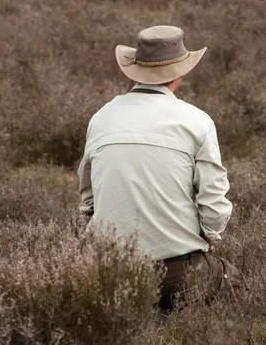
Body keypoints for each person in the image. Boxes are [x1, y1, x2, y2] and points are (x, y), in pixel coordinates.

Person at [77, 25, 241, 311]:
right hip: (175, 274)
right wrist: (211, 236)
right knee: (235, 285)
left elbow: (87, 200)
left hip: (107, 271)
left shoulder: (100, 118)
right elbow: (214, 200)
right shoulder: (197, 122)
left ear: (135, 70)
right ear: (180, 74)